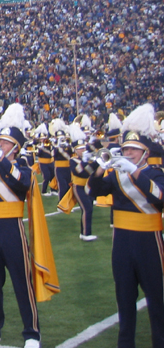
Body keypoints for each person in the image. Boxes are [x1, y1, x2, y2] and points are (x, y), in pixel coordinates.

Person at [0, 104, 58, 348]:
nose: (1, 145)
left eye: (5, 143)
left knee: (21, 282)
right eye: (0, 142)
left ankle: (32, 333)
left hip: (13, 231)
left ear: (15, 147)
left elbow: (22, 183)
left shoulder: (24, 168)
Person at [85, 103, 164, 348]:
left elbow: (159, 198)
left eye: (133, 150)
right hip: (122, 243)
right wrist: (99, 169)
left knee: (157, 301)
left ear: (144, 152)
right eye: (126, 148)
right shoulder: (116, 174)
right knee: (125, 300)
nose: (128, 153)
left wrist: (134, 172)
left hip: (149, 242)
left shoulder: (155, 172)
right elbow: (92, 191)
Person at [57, 124, 96, 241]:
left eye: (84, 148)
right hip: (79, 187)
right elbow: (78, 172)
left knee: (89, 209)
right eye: (80, 148)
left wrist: (92, 161)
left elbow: (89, 172)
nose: (83, 150)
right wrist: (84, 162)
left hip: (88, 186)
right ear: (75, 150)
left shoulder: (88, 158)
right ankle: (85, 234)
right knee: (87, 209)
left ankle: (85, 232)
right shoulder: (73, 160)